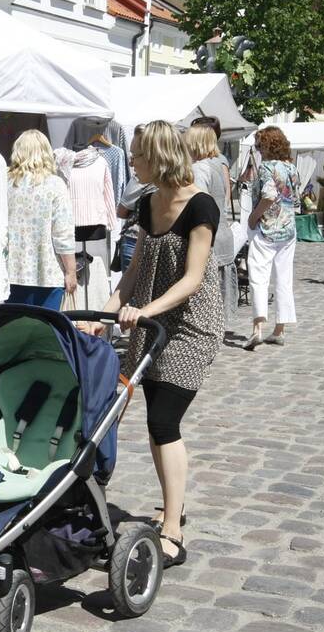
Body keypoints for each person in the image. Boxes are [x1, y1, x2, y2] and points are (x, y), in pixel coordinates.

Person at [84, 121, 223, 568]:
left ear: (159, 157)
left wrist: (147, 309)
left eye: (138, 156)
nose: (132, 163)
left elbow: (193, 278)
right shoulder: (147, 203)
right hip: (151, 321)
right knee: (154, 425)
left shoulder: (200, 206)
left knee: (165, 421)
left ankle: (174, 532)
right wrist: (104, 314)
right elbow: (134, 271)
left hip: (191, 325)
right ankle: (173, 503)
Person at [5, 130, 77, 310]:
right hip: (47, 273)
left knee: (14, 330)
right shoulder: (55, 185)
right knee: (45, 332)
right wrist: (71, 271)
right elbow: (63, 234)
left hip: (10, 272)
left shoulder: (4, 183)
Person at [244, 127, 299, 351]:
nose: (257, 150)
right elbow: (293, 198)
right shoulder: (291, 167)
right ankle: (279, 329)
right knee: (283, 279)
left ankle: (257, 328)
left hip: (266, 227)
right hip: (288, 229)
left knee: (258, 277)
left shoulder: (267, 167)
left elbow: (269, 195)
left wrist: (253, 216)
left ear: (267, 146)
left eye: (259, 146)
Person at [186, 125, 237, 324]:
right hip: (223, 233)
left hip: (210, 237)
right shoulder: (218, 164)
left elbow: (199, 206)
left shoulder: (199, 169)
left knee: (206, 297)